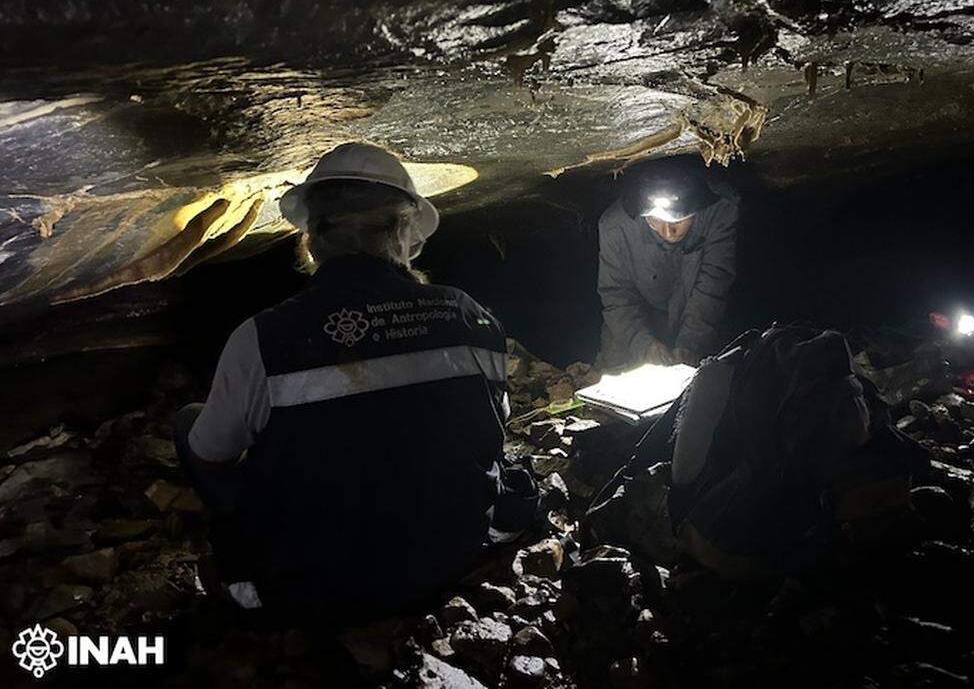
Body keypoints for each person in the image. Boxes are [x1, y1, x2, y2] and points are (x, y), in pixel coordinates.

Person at [173, 142, 530, 620]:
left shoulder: (262, 337)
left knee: (190, 425)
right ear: (404, 233)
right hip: (450, 556)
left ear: (312, 240)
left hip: (316, 586)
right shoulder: (468, 313)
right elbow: (492, 425)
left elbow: (210, 455)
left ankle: (251, 577)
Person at [597, 161, 739, 368]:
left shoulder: (718, 212)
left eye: (677, 221)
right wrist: (643, 345)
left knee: (707, 373)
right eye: (655, 221)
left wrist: (690, 344)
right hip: (635, 319)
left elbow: (713, 285)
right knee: (617, 371)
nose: (668, 232)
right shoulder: (615, 227)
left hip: (694, 310)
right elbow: (616, 295)